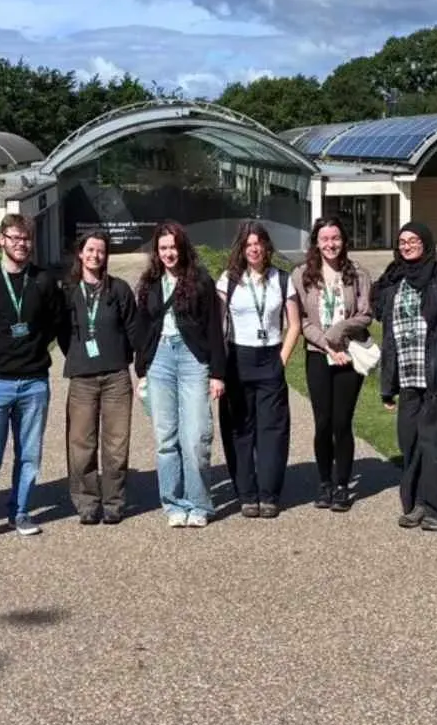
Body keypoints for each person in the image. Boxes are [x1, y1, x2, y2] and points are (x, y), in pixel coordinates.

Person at [0, 214, 66, 548]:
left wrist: (32, 351)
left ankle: (20, 512)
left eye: (26, 239)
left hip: (33, 381)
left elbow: (54, 323)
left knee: (29, 454)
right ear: (1, 239)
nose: (21, 244)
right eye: (15, 238)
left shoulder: (44, 281)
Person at [373, 221, 437, 532]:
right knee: (411, 442)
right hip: (408, 379)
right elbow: (388, 333)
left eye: (413, 240)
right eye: (402, 241)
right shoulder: (395, 282)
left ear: (426, 243)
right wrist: (387, 386)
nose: (407, 245)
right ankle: (417, 502)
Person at [135, 220, 226, 528]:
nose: (168, 253)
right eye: (163, 248)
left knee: (196, 436)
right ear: (156, 251)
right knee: (166, 438)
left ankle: (199, 502)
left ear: (182, 247)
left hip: (192, 359)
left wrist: (218, 372)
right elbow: (143, 327)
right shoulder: (148, 282)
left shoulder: (200, 280)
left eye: (173, 247)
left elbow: (214, 326)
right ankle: (173, 502)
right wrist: (142, 368)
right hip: (159, 359)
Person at [216, 221, 300, 518]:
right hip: (238, 360)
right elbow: (219, 324)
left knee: (272, 431)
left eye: (258, 243)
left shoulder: (282, 279)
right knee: (240, 430)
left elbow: (295, 324)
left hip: (271, 360)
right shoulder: (228, 280)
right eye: (248, 243)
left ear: (266, 246)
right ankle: (246, 493)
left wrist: (281, 359)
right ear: (242, 248)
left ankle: (268, 493)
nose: (254, 248)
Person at [291, 216, 373, 513]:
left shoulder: (358, 274)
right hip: (318, 355)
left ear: (344, 240)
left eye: (335, 238)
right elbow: (299, 319)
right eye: (324, 239)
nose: (330, 244)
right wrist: (327, 343)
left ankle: (342, 485)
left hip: (349, 355)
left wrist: (339, 333)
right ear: (316, 242)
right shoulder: (302, 275)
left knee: (342, 422)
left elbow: (365, 314)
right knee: (323, 422)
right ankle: (324, 483)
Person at [60, 229, 138, 525]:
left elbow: (133, 329)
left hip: (116, 376)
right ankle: (87, 502)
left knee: (116, 444)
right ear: (80, 253)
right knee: (82, 444)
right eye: (90, 250)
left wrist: (134, 364)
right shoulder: (68, 291)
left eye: (101, 251)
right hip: (82, 379)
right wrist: (79, 355)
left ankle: (114, 501)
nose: (95, 255)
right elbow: (62, 333)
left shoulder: (118, 289)